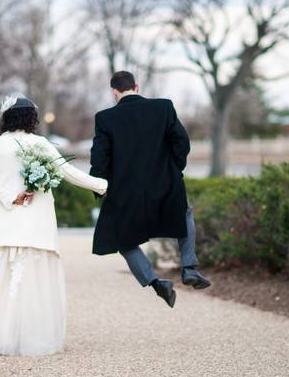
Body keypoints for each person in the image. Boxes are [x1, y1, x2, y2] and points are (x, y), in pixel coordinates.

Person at [0, 95, 108, 356]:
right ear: (32, 118)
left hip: (0, 222)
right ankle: (24, 338)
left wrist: (9, 197)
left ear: (7, 117)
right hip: (34, 223)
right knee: (30, 281)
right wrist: (102, 185)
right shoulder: (40, 143)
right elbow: (68, 173)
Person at [89, 70, 211, 308]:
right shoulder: (163, 108)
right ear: (136, 86)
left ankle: (156, 283)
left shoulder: (104, 118)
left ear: (114, 92)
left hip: (125, 192)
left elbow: (99, 159)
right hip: (164, 183)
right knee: (184, 213)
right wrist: (174, 170)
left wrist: (100, 187)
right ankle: (189, 268)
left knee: (122, 239)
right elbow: (182, 142)